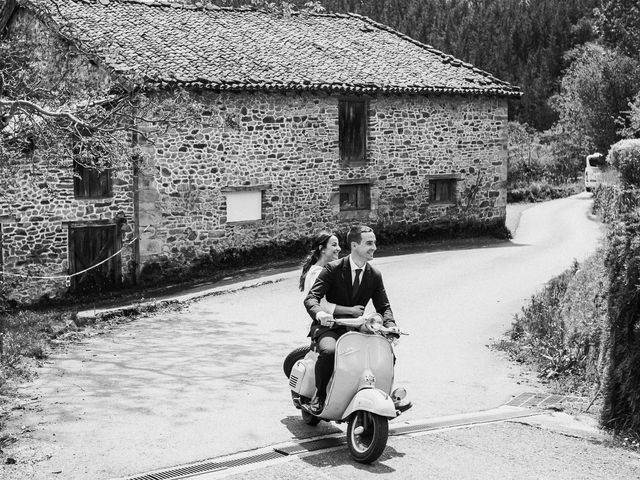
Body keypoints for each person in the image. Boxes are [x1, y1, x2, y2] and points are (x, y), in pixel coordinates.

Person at [303, 224, 398, 414]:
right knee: (329, 352)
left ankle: (382, 394)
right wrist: (321, 314)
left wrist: (391, 326)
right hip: (331, 326)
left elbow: (383, 306)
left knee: (387, 352)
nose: (374, 248)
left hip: (358, 328)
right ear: (354, 245)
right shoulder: (332, 269)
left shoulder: (374, 274)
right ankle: (320, 396)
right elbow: (311, 298)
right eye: (369, 243)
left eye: (375, 243)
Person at [299, 231, 366, 318]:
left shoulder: (327, 270)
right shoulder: (316, 273)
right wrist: (351, 310)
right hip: (323, 327)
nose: (339, 248)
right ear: (322, 249)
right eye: (334, 245)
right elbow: (321, 305)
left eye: (338, 245)